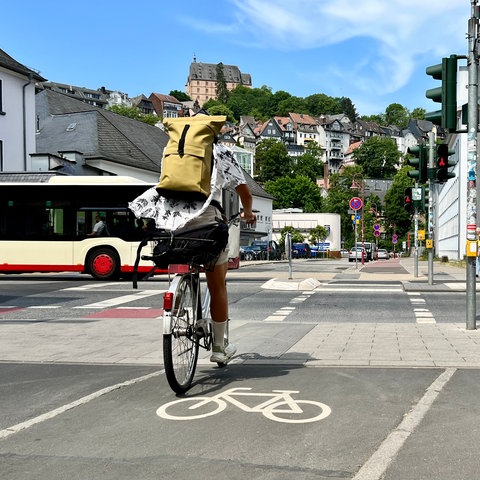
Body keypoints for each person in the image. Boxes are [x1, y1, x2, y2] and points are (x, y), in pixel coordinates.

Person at [129, 143, 256, 363]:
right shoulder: (220, 152)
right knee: (217, 285)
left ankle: (177, 296)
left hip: (173, 222)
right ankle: (219, 347)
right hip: (207, 222)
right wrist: (247, 211)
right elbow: (243, 190)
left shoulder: (171, 148)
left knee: (182, 252)